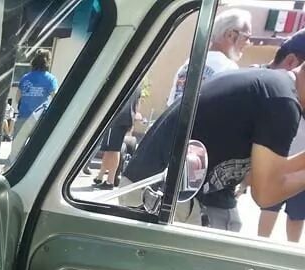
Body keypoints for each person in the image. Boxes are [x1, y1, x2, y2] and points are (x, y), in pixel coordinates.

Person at [124, 65, 305, 233]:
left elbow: (261, 175)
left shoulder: (272, 86)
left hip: (162, 188)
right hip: (163, 194)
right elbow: (265, 194)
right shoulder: (283, 102)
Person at [258, 32, 305, 243]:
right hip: (278, 159)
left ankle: (290, 254)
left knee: (296, 218)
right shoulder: (279, 96)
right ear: (292, 62)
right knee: (269, 208)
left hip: (298, 166)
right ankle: (259, 249)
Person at [167, 8, 251, 106]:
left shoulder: (190, 62)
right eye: (246, 37)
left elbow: (170, 105)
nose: (248, 43)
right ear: (230, 35)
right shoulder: (229, 69)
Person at [92, 85, 142, 189]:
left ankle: (110, 181)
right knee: (109, 149)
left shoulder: (126, 81)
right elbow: (137, 103)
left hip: (118, 118)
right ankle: (100, 176)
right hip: (125, 118)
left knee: (113, 149)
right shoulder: (137, 85)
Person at [14, 50, 57, 136]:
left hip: (23, 118)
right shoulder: (51, 79)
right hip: (40, 120)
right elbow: (56, 99)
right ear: (47, 62)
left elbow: (17, 98)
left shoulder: (25, 78)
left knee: (17, 148)